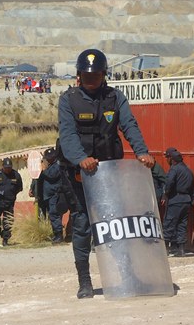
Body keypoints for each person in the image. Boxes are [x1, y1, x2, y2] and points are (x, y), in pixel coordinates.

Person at [58, 48, 155, 299]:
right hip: (79, 175)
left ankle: (128, 277)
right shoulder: (68, 100)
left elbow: (129, 125)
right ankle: (84, 281)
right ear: (79, 76)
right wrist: (81, 159)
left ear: (104, 75)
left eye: (96, 76)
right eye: (87, 77)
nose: (92, 81)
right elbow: (67, 136)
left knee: (114, 224)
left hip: (108, 173)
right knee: (82, 224)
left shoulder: (115, 97)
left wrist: (142, 152)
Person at [161, 147, 194, 257]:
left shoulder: (174, 169)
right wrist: (191, 202)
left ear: (172, 159)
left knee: (169, 224)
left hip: (175, 200)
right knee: (182, 225)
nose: (166, 160)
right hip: (186, 201)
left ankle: (165, 250)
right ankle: (181, 250)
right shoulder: (188, 171)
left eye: (167, 157)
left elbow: (169, 183)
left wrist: (165, 195)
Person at [0, 157, 23, 247]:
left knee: (8, 222)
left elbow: (19, 188)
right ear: (2, 166)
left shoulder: (16, 175)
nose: (7, 169)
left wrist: (11, 195)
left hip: (9, 203)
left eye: (9, 167)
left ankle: (5, 240)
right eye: (6, 167)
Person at [40, 147, 66, 243]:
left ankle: (59, 235)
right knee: (52, 215)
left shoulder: (57, 164)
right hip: (49, 195)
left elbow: (52, 175)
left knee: (54, 214)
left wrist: (44, 169)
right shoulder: (50, 165)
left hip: (55, 194)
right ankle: (56, 234)